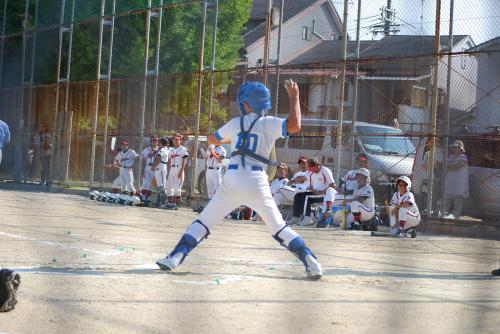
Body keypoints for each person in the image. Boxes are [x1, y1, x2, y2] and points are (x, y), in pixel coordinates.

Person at [156, 80, 322, 279]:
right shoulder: (268, 123)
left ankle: (175, 257)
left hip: (233, 178)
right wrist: (294, 97)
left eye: (242, 102)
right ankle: (310, 261)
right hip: (257, 180)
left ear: (247, 104)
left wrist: (234, 137)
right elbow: (294, 126)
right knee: (278, 227)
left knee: (204, 221)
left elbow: (211, 139)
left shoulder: (236, 123)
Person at [288, 157, 335, 226]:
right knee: (298, 195)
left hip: (325, 194)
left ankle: (308, 218)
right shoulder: (310, 171)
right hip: (315, 192)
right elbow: (304, 179)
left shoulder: (325, 170)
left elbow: (333, 185)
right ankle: (296, 217)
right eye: (310, 169)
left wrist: (322, 192)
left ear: (317, 165)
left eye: (312, 169)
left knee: (306, 197)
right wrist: (294, 180)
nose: (311, 171)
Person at [444, 140, 469, 219]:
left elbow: (456, 167)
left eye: (457, 148)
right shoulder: (450, 156)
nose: (455, 149)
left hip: (460, 184)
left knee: (457, 203)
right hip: (450, 183)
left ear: (461, 149)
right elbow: (446, 166)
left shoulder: (463, 157)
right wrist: (451, 166)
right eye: (454, 148)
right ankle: (443, 218)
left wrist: (451, 166)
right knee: (446, 202)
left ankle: (455, 219)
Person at [165, 134, 189, 209]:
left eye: (177, 139)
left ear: (180, 140)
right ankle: (170, 202)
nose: (175, 141)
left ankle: (176, 204)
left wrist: (181, 171)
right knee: (169, 186)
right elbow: (169, 161)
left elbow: (184, 160)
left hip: (179, 168)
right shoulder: (171, 149)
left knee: (177, 187)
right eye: (174, 139)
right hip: (172, 169)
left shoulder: (183, 149)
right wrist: (168, 171)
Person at [151, 137, 170, 207]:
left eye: (159, 142)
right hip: (162, 167)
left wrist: (153, 166)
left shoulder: (162, 150)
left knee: (162, 186)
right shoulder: (166, 149)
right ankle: (159, 202)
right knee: (160, 186)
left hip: (160, 168)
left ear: (162, 143)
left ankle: (164, 203)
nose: (158, 143)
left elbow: (158, 159)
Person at [140, 136, 159, 204]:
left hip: (154, 168)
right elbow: (143, 161)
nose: (154, 142)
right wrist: (142, 170)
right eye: (153, 141)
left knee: (151, 184)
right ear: (151, 141)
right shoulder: (146, 149)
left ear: (157, 142)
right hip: (147, 167)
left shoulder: (159, 149)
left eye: (156, 141)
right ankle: (143, 197)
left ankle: (147, 198)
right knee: (145, 183)